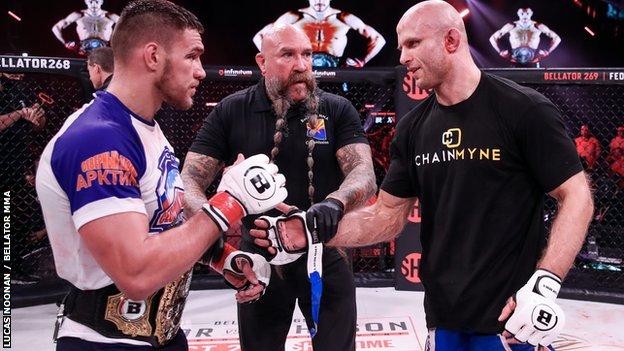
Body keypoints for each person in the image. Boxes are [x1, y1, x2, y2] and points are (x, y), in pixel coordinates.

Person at [252, 2, 594, 350]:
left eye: (413, 44)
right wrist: (310, 231)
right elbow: (386, 215)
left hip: (512, 321)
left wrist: (546, 283)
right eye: (401, 46)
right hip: (442, 318)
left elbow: (577, 195)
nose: (403, 57)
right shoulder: (414, 128)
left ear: (450, 40)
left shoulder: (523, 109)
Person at [36, 1, 287, 349]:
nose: (201, 71)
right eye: (192, 56)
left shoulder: (143, 129)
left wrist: (223, 259)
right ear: (153, 56)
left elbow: (162, 225)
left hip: (163, 335)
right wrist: (229, 203)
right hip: (106, 342)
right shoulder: (99, 139)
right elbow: (136, 273)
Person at [181, 24, 375, 351]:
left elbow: (363, 171)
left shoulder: (336, 109)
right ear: (262, 62)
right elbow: (188, 179)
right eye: (287, 54)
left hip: (325, 251)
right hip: (259, 258)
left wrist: (336, 203)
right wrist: (212, 226)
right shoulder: (233, 110)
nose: (301, 65)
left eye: (307, 55)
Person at [252, 0, 386, 68]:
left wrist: (363, 61)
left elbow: (379, 39)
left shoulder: (342, 17)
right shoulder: (295, 16)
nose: (319, 1)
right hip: (302, 67)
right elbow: (259, 37)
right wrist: (274, 60)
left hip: (335, 70)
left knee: (337, 109)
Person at [489, 8, 561, 67]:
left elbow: (557, 38)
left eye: (527, 13)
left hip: (533, 59)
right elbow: (492, 38)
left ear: (531, 13)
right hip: (515, 59)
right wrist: (500, 52)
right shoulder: (511, 25)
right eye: (522, 14)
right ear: (518, 14)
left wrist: (548, 51)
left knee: (536, 81)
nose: (525, 16)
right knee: (512, 82)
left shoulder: (538, 26)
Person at [52, 0, 120, 56]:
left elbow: (129, 29)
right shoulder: (78, 15)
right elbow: (56, 28)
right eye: (90, 1)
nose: (93, 4)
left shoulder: (110, 16)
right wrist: (65, 43)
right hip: (83, 52)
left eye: (97, 1)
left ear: (101, 1)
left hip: (104, 52)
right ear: (86, 2)